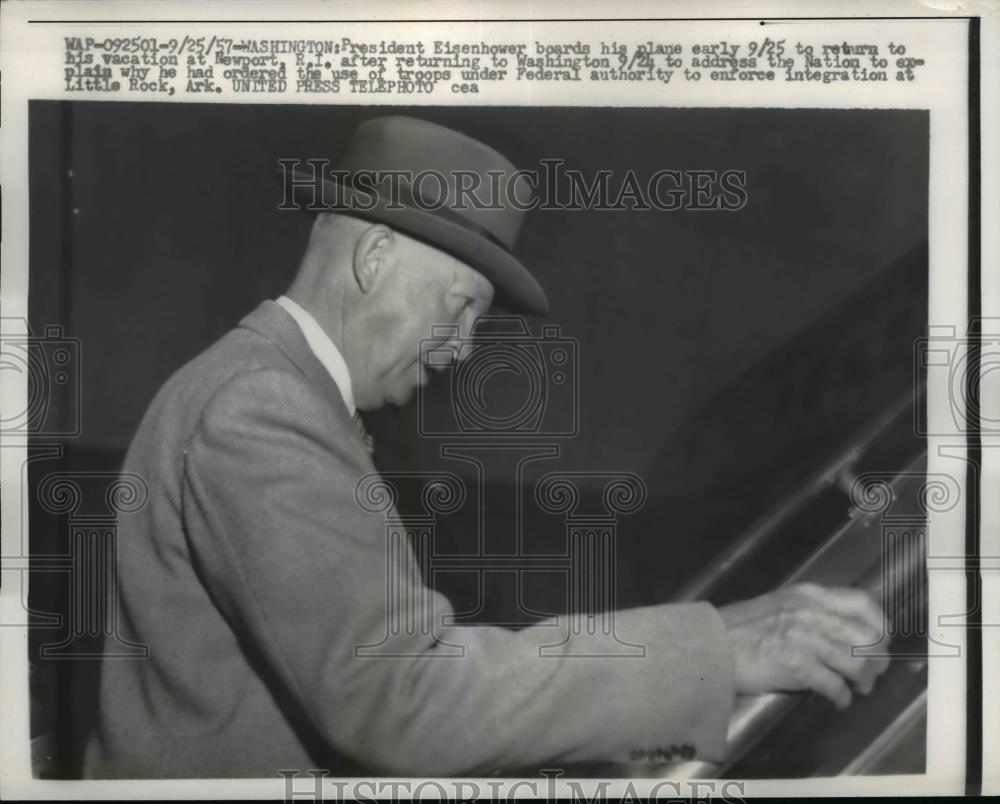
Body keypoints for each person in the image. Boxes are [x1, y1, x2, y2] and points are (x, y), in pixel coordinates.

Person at [83, 116, 889, 778]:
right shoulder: (262, 408)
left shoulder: (260, 389)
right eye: (462, 304)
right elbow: (401, 698)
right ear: (373, 258)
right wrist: (712, 654)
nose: (466, 346)